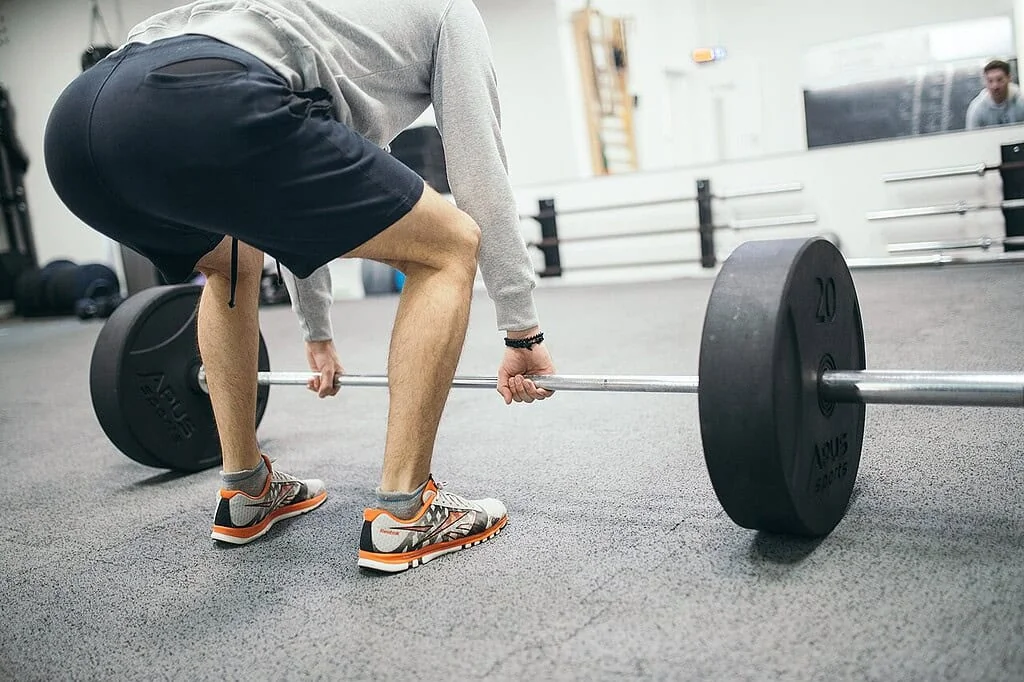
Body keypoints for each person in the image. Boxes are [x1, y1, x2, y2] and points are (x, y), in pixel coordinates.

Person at [43, 0, 557, 573]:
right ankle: (406, 514)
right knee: (450, 243)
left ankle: (246, 491)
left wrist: (317, 332)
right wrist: (521, 329)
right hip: (207, 99)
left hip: (78, 126)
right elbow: (478, 169)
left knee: (232, 257)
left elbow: (283, 212)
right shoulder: (448, 12)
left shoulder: (309, 18)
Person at [966, 59, 1024, 129]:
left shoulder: (1021, 100)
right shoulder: (976, 109)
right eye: (990, 81)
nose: (995, 86)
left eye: (999, 80)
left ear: (1009, 78)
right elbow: (972, 138)